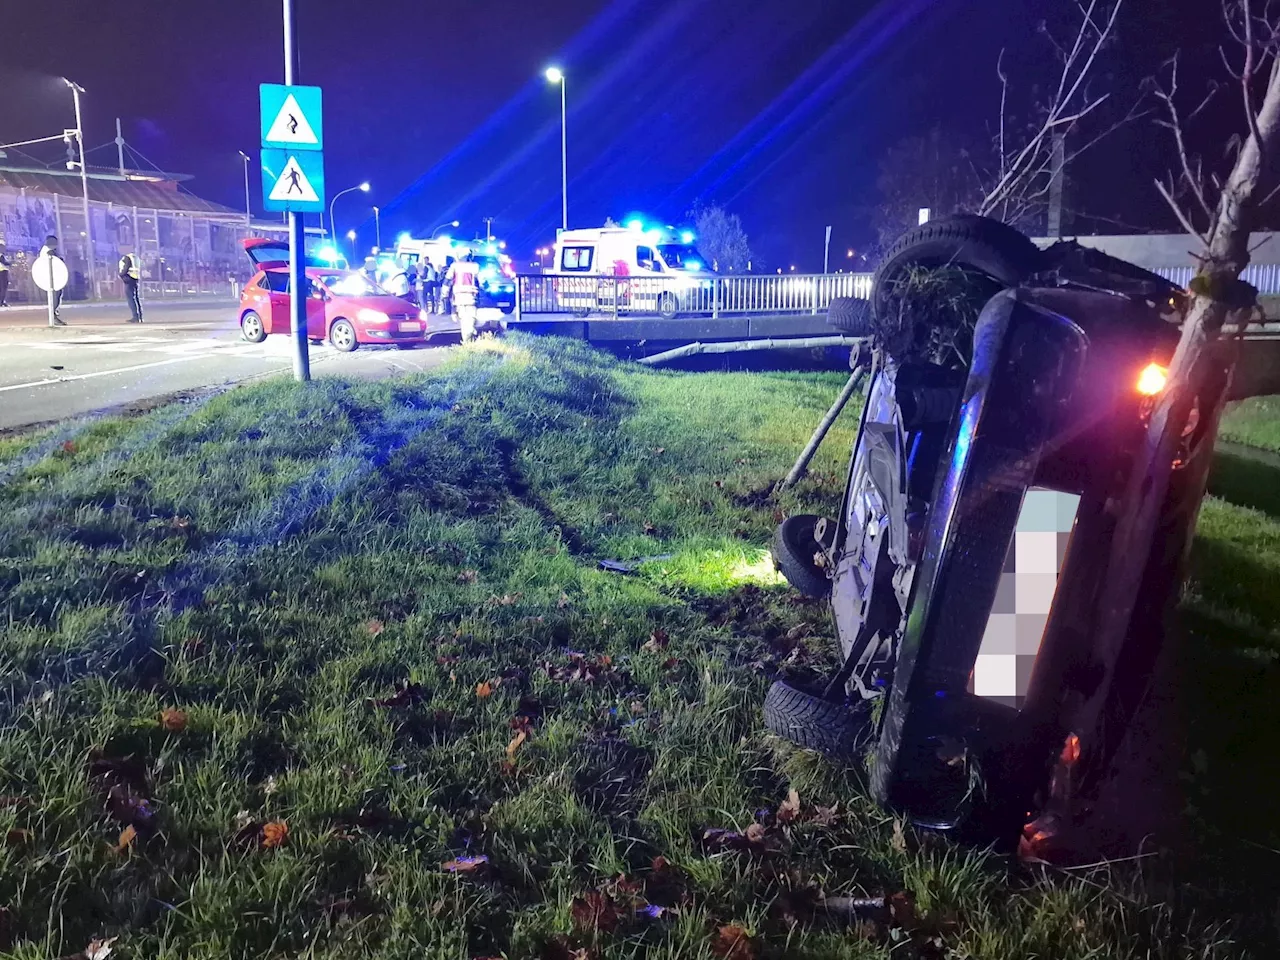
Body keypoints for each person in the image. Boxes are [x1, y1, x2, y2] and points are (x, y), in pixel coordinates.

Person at [445, 251, 482, 341]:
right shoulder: (475, 266)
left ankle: (466, 339)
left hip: (458, 296)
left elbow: (447, 281)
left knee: (463, 319)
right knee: (471, 317)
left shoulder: (454, 266)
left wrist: (444, 294)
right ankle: (470, 334)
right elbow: (482, 280)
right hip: (471, 296)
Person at [39, 235, 66, 325]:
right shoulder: (48, 251)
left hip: (54, 277)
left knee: (57, 296)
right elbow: (55, 261)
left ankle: (54, 315)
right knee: (55, 297)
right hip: (52, 278)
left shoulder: (48, 250)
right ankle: (53, 316)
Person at [118, 250, 143, 323]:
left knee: (131, 299)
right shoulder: (136, 258)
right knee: (137, 299)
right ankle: (140, 317)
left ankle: (135, 317)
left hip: (129, 279)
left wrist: (121, 274)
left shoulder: (127, 258)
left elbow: (125, 268)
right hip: (135, 278)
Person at [0, 242, 10, 307]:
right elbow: (5, 263)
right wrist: (11, 262)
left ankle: (2, 301)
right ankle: (2, 301)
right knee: (3, 287)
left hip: (2, 272)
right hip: (2, 272)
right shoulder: (1, 255)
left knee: (2, 288)